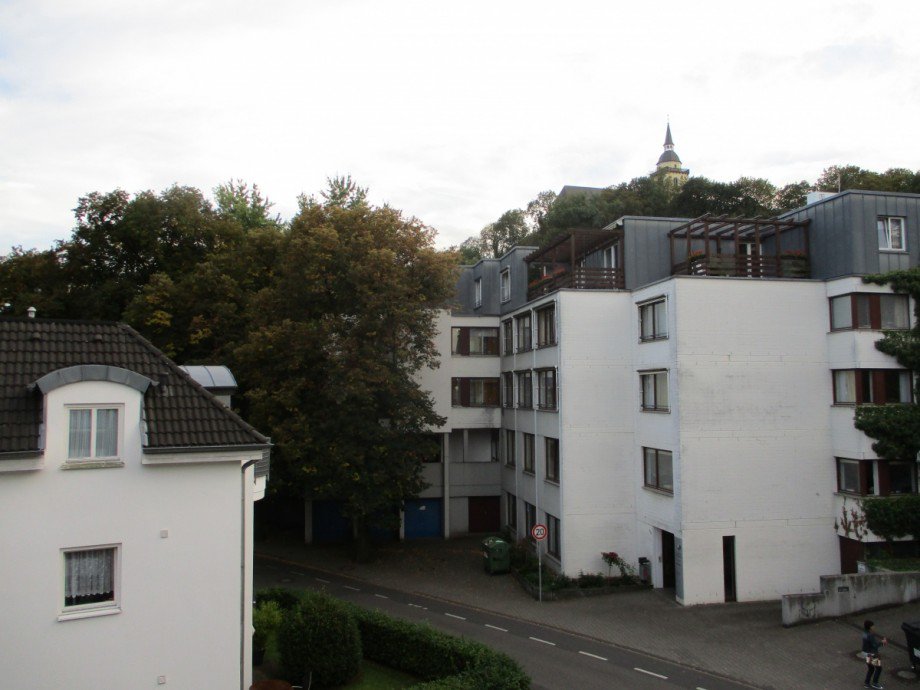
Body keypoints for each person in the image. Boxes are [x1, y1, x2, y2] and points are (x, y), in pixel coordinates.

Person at [862, 619, 888, 689]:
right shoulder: (870, 635)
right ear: (870, 627)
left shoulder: (864, 634)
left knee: (871, 668)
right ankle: (875, 683)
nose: (874, 627)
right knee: (879, 668)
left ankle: (866, 683)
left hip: (866, 653)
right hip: (872, 654)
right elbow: (875, 645)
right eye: (873, 626)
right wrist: (883, 642)